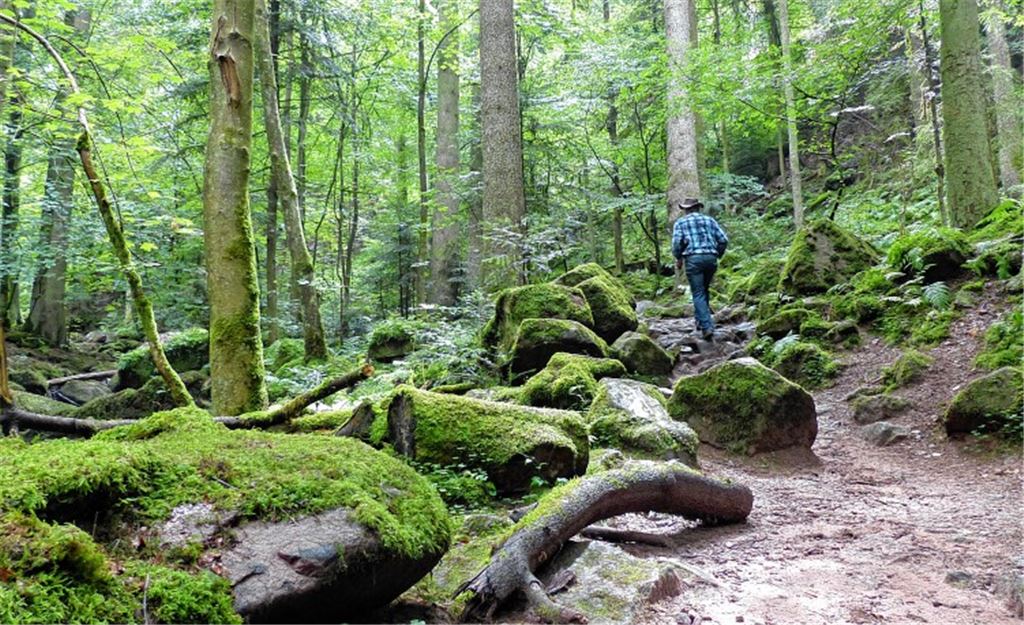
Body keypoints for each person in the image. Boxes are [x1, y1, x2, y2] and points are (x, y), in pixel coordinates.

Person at [671, 198, 728, 341]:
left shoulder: (681, 223)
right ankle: (700, 320)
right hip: (710, 258)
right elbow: (723, 240)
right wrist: (717, 254)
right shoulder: (710, 221)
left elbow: (677, 243)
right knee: (704, 289)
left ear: (686, 210)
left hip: (693, 259)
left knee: (698, 292)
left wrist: (678, 258)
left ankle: (707, 327)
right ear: (698, 208)